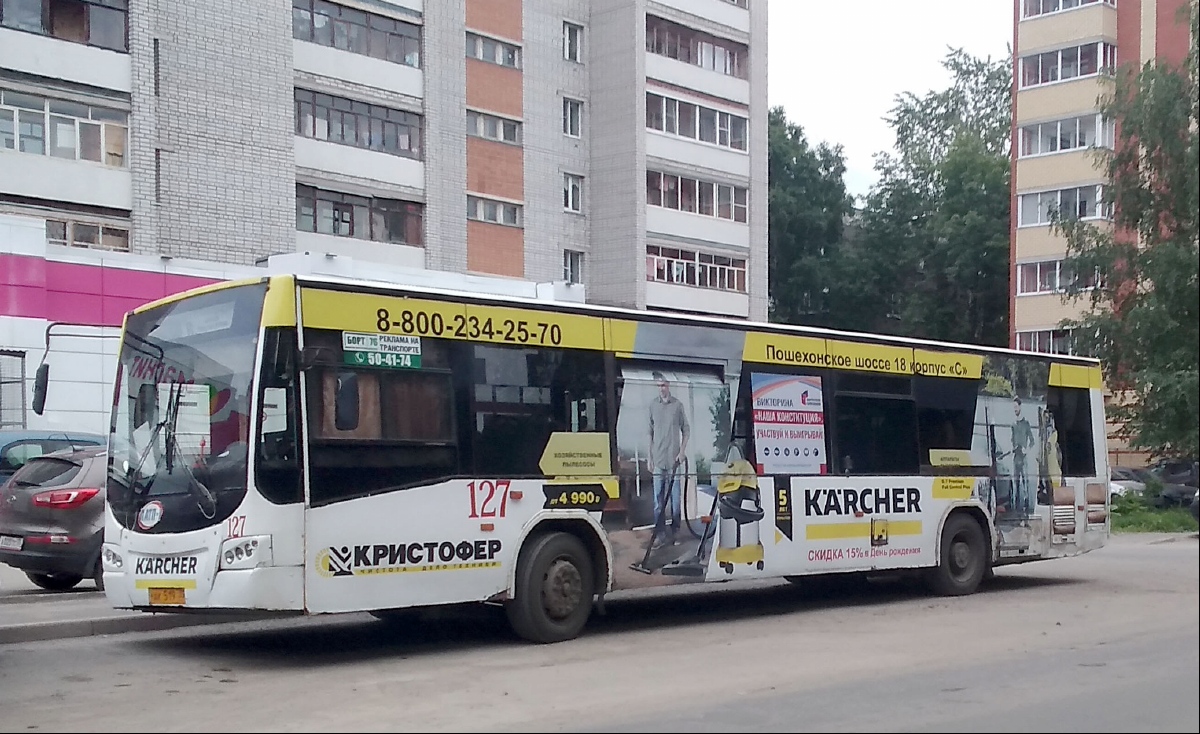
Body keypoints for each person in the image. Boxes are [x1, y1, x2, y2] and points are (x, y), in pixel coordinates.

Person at [648, 371, 689, 547]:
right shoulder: (652, 406)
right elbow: (649, 432)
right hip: (658, 459)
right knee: (658, 501)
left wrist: (682, 451)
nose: (661, 388)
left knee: (675, 501)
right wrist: (649, 456)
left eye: (663, 385)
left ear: (668, 386)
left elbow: (686, 430)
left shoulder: (677, 406)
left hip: (674, 461)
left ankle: (675, 532)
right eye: (658, 386)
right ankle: (660, 534)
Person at [1011, 395, 1036, 514]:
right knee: (1016, 482)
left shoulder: (1026, 423)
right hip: (1016, 457)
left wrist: (1027, 449)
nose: (1015, 409)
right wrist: (1013, 447)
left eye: (1016, 407)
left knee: (1025, 481)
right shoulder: (1013, 424)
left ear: (1020, 407)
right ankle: (1016, 508)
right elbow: (1012, 439)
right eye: (1013, 407)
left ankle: (1026, 507)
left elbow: (1032, 441)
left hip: (1024, 458)